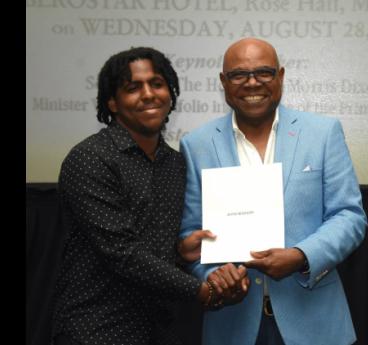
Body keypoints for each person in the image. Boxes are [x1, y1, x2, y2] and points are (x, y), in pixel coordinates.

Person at [51, 46, 248, 345]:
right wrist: (205, 291)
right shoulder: (91, 159)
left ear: (170, 93)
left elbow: (154, 246)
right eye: (133, 88)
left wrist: (182, 252)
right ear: (112, 103)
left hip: (161, 329)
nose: (148, 94)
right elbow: (123, 254)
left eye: (156, 84)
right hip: (97, 329)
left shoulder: (175, 164)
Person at [178, 38, 368, 345]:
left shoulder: (323, 132)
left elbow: (349, 216)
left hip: (314, 321)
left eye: (263, 72)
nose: (252, 83)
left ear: (280, 76)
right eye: (239, 75)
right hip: (232, 325)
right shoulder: (196, 144)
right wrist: (211, 275)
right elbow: (190, 233)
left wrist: (301, 256)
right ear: (223, 83)